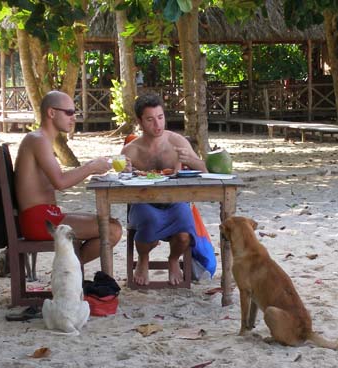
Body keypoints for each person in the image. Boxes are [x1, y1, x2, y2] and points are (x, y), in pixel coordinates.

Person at [15, 90, 122, 266]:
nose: (73, 118)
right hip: (40, 221)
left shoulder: (41, 139)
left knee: (110, 223)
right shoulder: (38, 139)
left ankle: (70, 272)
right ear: (51, 113)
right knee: (112, 230)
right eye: (69, 112)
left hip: (46, 215)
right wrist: (91, 168)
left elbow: (57, 179)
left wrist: (93, 166)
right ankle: (69, 272)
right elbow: (60, 182)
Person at [121, 93, 207, 286]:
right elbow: (120, 179)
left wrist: (191, 160)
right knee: (148, 220)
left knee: (184, 233)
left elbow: (204, 170)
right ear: (140, 121)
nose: (157, 124)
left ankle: (174, 259)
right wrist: (125, 171)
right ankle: (143, 259)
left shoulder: (177, 141)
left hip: (174, 200)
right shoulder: (131, 150)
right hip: (143, 201)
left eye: (160, 117)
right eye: (150, 120)